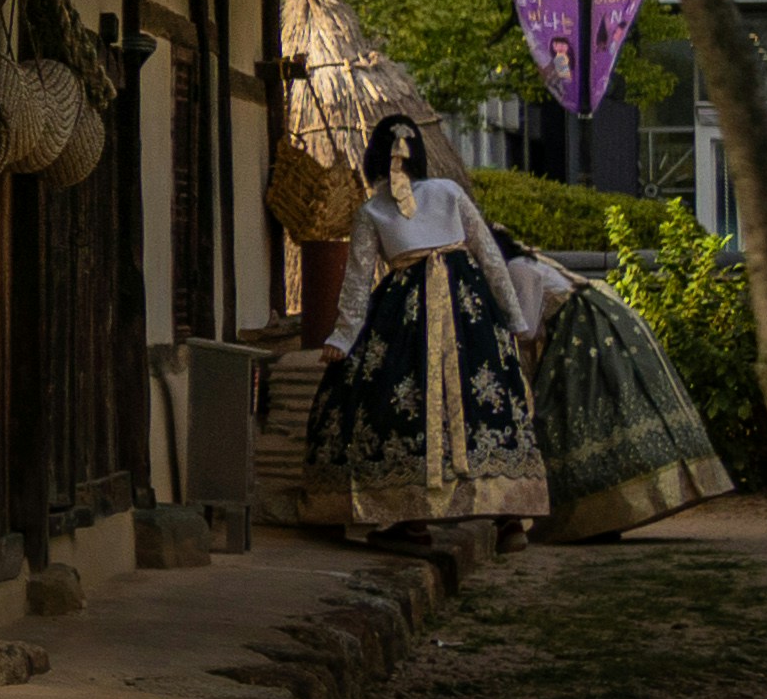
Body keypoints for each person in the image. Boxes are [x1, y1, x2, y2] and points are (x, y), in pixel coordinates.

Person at [291, 115, 547, 537]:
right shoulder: (449, 192)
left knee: (397, 400)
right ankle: (509, 516)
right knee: (485, 399)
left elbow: (357, 284)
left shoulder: (371, 210)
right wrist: (514, 319)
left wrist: (342, 339)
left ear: (374, 157)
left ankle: (412, 520)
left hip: (404, 315)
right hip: (469, 311)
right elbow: (489, 257)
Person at [495, 237, 737, 542]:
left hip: (580, 332)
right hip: (591, 328)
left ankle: (593, 517)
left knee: (574, 419)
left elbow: (526, 329)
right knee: (598, 420)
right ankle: (603, 515)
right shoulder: (532, 263)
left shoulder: (519, 270)